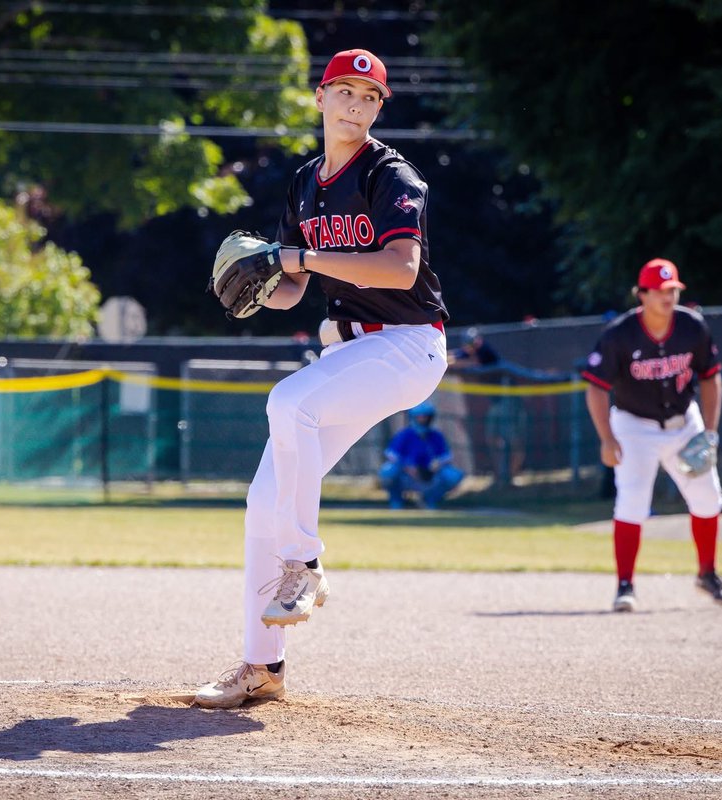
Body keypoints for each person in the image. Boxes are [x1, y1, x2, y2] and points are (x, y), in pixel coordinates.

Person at [194, 48, 450, 708]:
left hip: (409, 345)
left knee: (288, 402)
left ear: (378, 108)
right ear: (320, 98)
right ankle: (262, 668)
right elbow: (292, 287)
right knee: (261, 502)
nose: (357, 104)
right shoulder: (307, 181)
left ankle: (303, 565)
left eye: (370, 96)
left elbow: (399, 269)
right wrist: (257, 286)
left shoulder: (392, 176)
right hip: (351, 353)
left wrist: (298, 254)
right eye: (346, 91)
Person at [579, 258, 722, 612]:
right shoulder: (619, 334)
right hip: (634, 427)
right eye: (662, 290)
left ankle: (707, 573)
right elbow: (596, 388)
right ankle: (625, 585)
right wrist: (607, 438)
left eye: (674, 290)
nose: (669, 296)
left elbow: (711, 377)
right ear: (643, 295)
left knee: (708, 499)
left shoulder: (692, 327)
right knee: (632, 503)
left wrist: (709, 431)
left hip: (685, 423)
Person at [379, 400, 464, 509]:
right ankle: (397, 500)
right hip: (406, 475)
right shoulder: (405, 434)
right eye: (419, 417)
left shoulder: (436, 436)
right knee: (388, 471)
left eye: (426, 417)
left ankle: (429, 499)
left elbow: (446, 456)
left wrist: (437, 464)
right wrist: (406, 466)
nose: (423, 420)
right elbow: (391, 454)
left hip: (429, 475)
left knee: (452, 475)